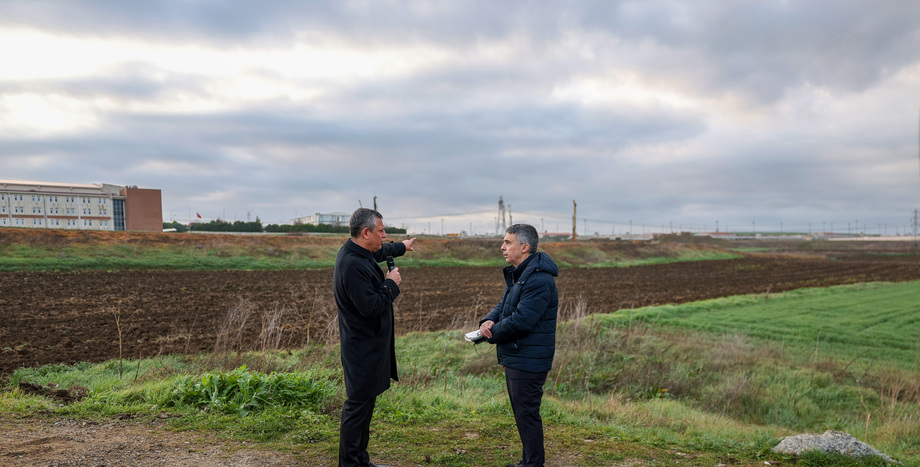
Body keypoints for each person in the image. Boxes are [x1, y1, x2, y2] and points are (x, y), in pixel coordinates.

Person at [333, 208, 416, 467]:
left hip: (369, 346)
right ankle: (350, 463)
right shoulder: (352, 265)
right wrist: (391, 283)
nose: (384, 234)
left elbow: (378, 252)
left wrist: (401, 246)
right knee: (357, 407)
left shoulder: (359, 252)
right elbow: (370, 307)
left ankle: (360, 460)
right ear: (365, 232)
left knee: (365, 405)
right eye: (381, 231)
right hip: (361, 348)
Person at [479, 224, 558, 467]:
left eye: (507, 242)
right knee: (522, 415)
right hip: (519, 355)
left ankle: (533, 464)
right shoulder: (521, 274)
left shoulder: (539, 280)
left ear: (524, 247)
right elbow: (505, 305)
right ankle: (528, 462)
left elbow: (522, 321)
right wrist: (489, 320)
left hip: (529, 360)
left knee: (527, 415)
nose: (502, 247)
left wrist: (491, 334)